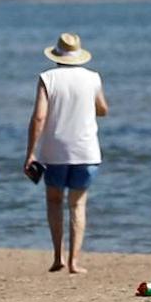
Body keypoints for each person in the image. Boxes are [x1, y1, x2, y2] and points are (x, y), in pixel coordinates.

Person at [23, 33, 108, 275]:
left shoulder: (47, 78)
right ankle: (74, 261)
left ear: (57, 55)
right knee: (78, 205)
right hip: (87, 151)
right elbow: (103, 108)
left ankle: (58, 256)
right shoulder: (93, 78)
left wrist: (30, 153)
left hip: (55, 151)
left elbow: (39, 116)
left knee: (54, 202)